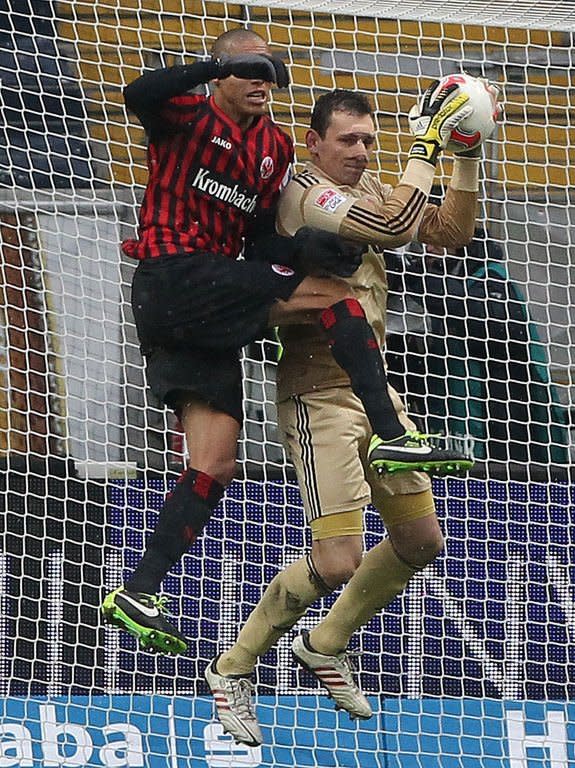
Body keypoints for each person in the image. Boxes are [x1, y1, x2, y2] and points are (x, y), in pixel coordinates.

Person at [100, 32, 474, 655]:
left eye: (271, 74)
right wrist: (215, 64)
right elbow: (138, 92)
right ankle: (395, 435)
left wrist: (297, 251)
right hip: (176, 275)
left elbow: (258, 239)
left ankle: (137, 589)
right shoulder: (186, 114)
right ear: (220, 73)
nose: (262, 81)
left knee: (215, 464)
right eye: (249, 70)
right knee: (331, 298)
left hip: (216, 302)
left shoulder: (271, 147)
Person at [204, 85, 501, 746]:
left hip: (376, 392)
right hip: (316, 393)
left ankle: (325, 643)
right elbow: (397, 229)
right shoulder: (304, 194)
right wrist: (423, 143)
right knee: (336, 560)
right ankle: (232, 667)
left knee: (420, 542)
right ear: (313, 144)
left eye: (369, 140)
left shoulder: (368, 196)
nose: (362, 152)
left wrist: (463, 156)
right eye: (348, 140)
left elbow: (447, 234)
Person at [396, 226, 570, 465]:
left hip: (508, 424)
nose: (429, 248)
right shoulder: (452, 277)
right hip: (478, 418)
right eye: (425, 241)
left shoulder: (492, 278)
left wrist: (415, 279)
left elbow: (485, 322)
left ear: (459, 238)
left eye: (435, 238)